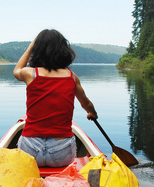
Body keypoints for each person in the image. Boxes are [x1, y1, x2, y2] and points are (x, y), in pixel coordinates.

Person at [13, 29, 98, 167]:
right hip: (61, 153)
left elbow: (16, 70)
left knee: (22, 143)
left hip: (31, 150)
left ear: (37, 50)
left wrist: (31, 46)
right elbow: (86, 103)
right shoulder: (72, 77)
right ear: (63, 51)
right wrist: (92, 113)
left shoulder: (30, 74)